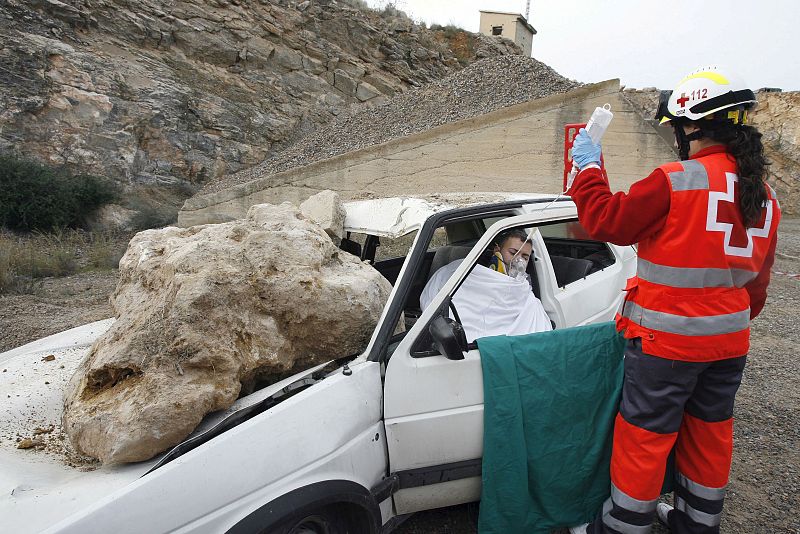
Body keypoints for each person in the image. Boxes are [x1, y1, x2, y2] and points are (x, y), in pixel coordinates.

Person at [566, 66, 781, 534]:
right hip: (729, 345)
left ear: (690, 125)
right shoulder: (765, 194)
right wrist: (723, 321)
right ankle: (697, 524)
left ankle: (623, 527)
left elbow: (606, 221)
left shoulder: (676, 180)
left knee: (645, 438)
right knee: (709, 434)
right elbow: (758, 286)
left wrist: (586, 168)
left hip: (666, 346)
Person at [420, 228, 552, 342]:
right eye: (513, 253)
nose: (519, 261)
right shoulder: (469, 274)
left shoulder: (525, 293)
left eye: (525, 257)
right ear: (497, 250)